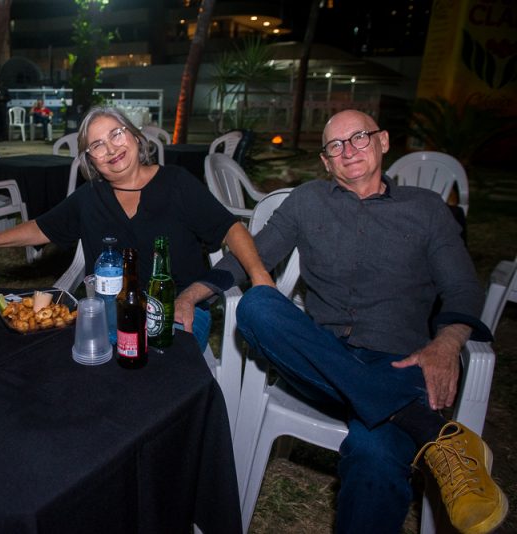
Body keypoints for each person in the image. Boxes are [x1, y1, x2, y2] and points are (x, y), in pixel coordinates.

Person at [181, 110, 507, 534]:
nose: (348, 150)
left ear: (383, 141)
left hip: (400, 361)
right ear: (325, 161)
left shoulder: (426, 209)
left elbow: (463, 288)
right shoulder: (307, 200)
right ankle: (429, 429)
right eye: (335, 145)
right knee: (257, 306)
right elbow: (251, 256)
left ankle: (403, 418)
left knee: (376, 453)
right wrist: (191, 294)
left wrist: (447, 343)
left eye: (359, 138)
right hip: (319, 357)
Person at [0, 106, 274, 351]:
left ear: (135, 136)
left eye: (116, 134)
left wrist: (259, 276)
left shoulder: (177, 183)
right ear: (91, 160)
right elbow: (41, 229)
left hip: (175, 310)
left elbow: (231, 229)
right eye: (97, 145)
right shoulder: (90, 197)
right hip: (108, 314)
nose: (111, 149)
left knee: (156, 381)